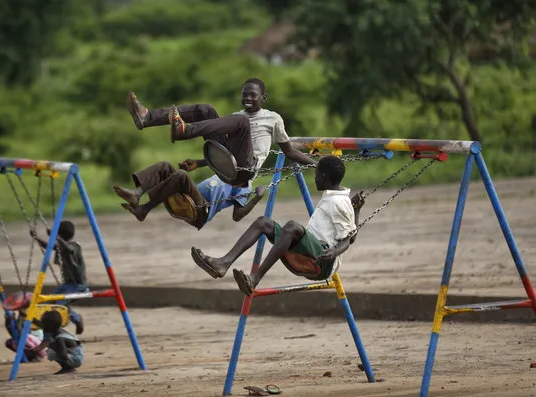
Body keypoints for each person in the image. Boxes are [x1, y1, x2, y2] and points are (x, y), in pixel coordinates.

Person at [190, 155, 365, 295]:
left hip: (323, 260)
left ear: (324, 177)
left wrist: (334, 251)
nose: (315, 178)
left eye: (317, 174)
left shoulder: (339, 203)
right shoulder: (334, 196)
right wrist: (356, 210)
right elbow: (351, 233)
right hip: (311, 250)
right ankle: (223, 263)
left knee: (292, 227)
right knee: (263, 223)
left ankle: (254, 279)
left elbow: (349, 239)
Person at [127, 77, 316, 187]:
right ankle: (148, 118)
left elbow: (289, 151)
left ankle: (185, 131)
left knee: (241, 122)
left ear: (263, 98)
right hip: (229, 165)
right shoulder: (236, 116)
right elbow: (226, 151)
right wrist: (200, 163)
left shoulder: (272, 118)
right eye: (244, 95)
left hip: (245, 171)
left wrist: (315, 163)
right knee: (206, 110)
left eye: (253, 95)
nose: (248, 98)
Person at [113, 161, 266, 229]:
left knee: (181, 176)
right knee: (165, 166)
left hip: (200, 211)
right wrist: (196, 164)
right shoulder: (227, 171)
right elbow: (214, 157)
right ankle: (137, 193)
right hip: (186, 201)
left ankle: (144, 209)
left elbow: (237, 216)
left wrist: (256, 198)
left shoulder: (244, 186)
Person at [31, 220, 86, 335]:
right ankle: (41, 325)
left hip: (78, 285)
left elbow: (69, 250)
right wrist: (36, 238)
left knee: (61, 304)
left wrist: (56, 236)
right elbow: (49, 246)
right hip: (67, 285)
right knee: (50, 301)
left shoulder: (75, 246)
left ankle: (76, 319)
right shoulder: (62, 246)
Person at [34, 310, 83, 375]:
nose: (43, 327)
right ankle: (67, 367)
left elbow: (64, 356)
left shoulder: (60, 338)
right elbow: (40, 324)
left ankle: (68, 368)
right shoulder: (54, 329)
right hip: (73, 355)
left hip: (76, 359)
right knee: (51, 348)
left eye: (44, 325)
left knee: (51, 351)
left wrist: (53, 346)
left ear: (50, 326)